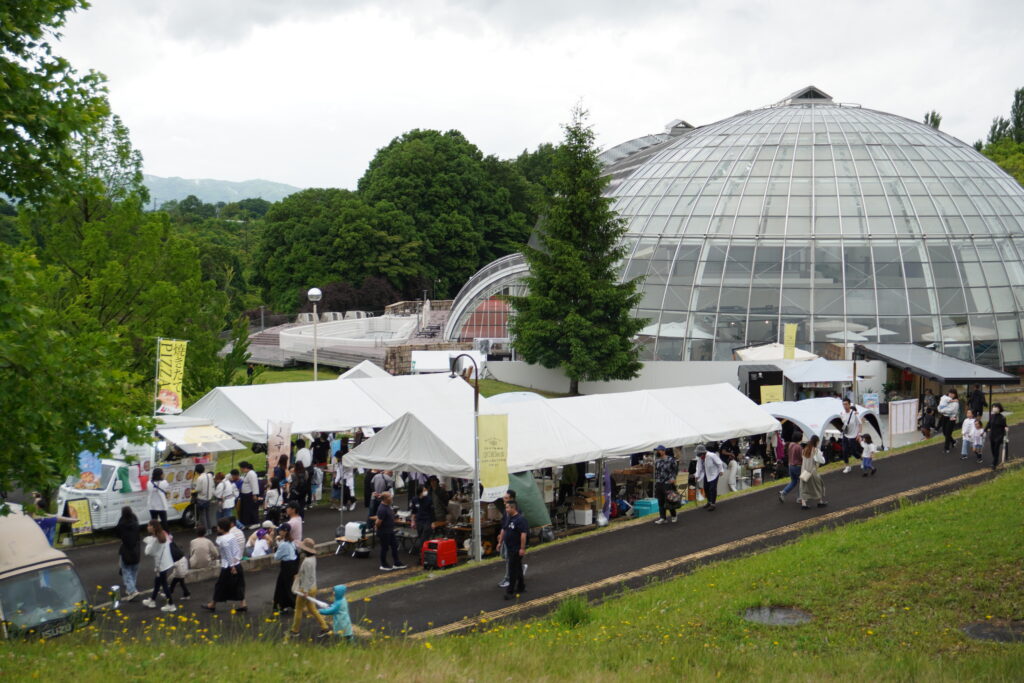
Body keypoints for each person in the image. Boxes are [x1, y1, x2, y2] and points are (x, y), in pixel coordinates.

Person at [289, 537, 331, 639]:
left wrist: (305, 591)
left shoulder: (307, 561)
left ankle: (295, 631)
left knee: (298, 609)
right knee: (312, 608)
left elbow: (307, 578)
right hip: (313, 587)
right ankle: (324, 627)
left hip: (305, 589)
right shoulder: (312, 559)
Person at [203, 517, 246, 613]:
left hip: (228, 566)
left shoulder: (223, 540)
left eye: (218, 527)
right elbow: (236, 550)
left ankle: (212, 604)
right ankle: (243, 604)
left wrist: (232, 566)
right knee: (239, 584)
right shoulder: (232, 536)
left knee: (220, 585)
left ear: (222, 528)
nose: (217, 528)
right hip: (237, 563)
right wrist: (236, 561)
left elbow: (227, 554)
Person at [141, 520, 176, 612]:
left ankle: (171, 604)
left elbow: (148, 552)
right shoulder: (163, 534)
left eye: (149, 526)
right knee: (157, 582)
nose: (147, 527)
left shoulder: (155, 540)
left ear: (153, 527)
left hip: (160, 565)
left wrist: (148, 542)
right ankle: (152, 600)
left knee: (163, 583)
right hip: (166, 562)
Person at [498, 499, 528, 600]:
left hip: (516, 548)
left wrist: (522, 548)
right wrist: (500, 542)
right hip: (509, 547)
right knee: (518, 567)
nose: (506, 510)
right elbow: (504, 529)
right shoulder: (509, 518)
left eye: (507, 507)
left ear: (513, 508)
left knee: (512, 569)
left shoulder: (520, 520)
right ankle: (521, 586)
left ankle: (510, 591)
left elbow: (523, 535)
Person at [113, 506, 142, 600]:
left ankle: (132, 590)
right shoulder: (135, 523)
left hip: (126, 549)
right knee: (134, 570)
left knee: (126, 570)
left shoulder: (122, 524)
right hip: (136, 549)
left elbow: (117, 533)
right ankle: (131, 588)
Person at [375, 492, 406, 571]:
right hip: (384, 532)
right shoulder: (382, 509)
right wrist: (379, 529)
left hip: (390, 531)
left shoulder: (388, 506)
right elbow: (378, 522)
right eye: (390, 497)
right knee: (384, 548)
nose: (392, 498)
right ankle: (383, 564)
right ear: (385, 499)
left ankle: (396, 562)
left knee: (394, 545)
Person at [273, 523, 299, 613]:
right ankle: (285, 605)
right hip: (292, 565)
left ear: (284, 531)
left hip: (286, 566)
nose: (279, 531)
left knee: (284, 587)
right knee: (287, 586)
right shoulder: (291, 541)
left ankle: (285, 605)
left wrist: (277, 544)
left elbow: (276, 557)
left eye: (280, 530)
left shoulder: (283, 544)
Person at [798, 435, 828, 509]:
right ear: (816, 442)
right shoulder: (816, 450)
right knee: (819, 486)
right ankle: (819, 502)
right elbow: (822, 461)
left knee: (804, 488)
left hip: (804, 471)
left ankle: (804, 504)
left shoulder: (805, 449)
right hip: (812, 472)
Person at [694, 444, 726, 511]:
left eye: (700, 454)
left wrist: (721, 470)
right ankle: (709, 501)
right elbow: (699, 467)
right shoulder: (700, 458)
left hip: (715, 473)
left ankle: (713, 504)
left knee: (712, 488)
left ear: (703, 452)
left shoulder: (712, 455)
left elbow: (719, 463)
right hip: (707, 473)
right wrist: (697, 475)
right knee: (706, 488)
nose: (699, 456)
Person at [652, 445, 679, 525]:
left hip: (668, 482)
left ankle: (673, 515)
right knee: (660, 501)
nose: (658, 452)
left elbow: (675, 470)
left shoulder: (670, 459)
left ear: (663, 451)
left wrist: (673, 478)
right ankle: (662, 517)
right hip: (659, 482)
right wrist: (656, 481)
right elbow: (656, 472)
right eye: (657, 450)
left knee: (670, 499)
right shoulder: (657, 461)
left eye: (659, 450)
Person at [777, 433, 805, 504]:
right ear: (800, 439)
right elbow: (801, 457)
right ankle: (800, 498)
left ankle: (783, 492)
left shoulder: (790, 445)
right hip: (798, 466)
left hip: (790, 465)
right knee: (801, 482)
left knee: (793, 481)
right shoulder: (799, 447)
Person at [839, 399, 862, 474]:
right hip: (845, 435)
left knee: (854, 451)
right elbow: (843, 424)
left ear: (849, 405)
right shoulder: (842, 413)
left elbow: (860, 424)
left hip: (853, 435)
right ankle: (847, 466)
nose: (845, 406)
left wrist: (859, 434)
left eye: (846, 404)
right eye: (843, 404)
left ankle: (862, 460)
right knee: (844, 451)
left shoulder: (855, 413)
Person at [412, 484, 434, 558]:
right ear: (420, 492)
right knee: (421, 536)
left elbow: (432, 512)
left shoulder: (429, 499)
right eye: (424, 490)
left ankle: (421, 553)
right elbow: (413, 511)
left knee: (424, 537)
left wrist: (432, 522)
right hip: (419, 521)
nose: (426, 491)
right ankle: (423, 553)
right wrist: (413, 521)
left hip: (427, 520)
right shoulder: (414, 499)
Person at [193, 464, 216, 534]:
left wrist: (194, 488)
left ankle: (205, 531)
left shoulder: (200, 478)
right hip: (209, 498)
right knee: (207, 514)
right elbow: (212, 485)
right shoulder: (209, 476)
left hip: (202, 499)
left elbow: (198, 489)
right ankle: (209, 530)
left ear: (197, 472)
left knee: (203, 515)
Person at [237, 461, 261, 527]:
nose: (240, 470)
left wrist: (255, 494)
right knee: (246, 510)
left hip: (250, 494)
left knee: (252, 509)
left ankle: (256, 522)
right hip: (245, 495)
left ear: (243, 468)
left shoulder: (251, 474)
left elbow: (254, 484)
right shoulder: (246, 473)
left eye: (240, 468)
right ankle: (248, 523)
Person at [986, 403, 1008, 469]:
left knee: (996, 449)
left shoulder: (1002, 417)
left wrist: (1006, 428)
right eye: (993, 407)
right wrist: (984, 430)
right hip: (992, 435)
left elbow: (1005, 425)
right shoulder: (992, 416)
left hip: (999, 436)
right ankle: (995, 459)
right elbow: (989, 424)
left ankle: (994, 463)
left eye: (995, 407)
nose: (994, 408)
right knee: (992, 449)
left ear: (999, 408)